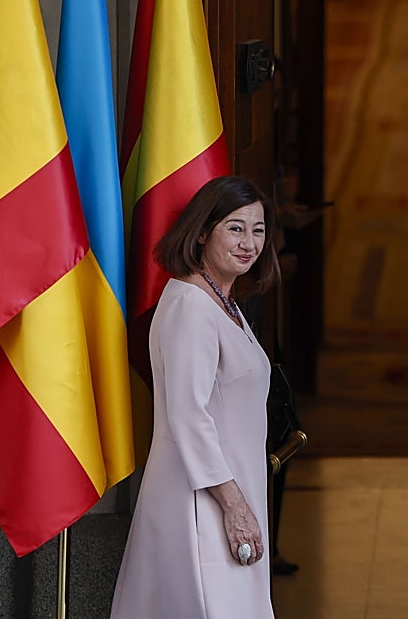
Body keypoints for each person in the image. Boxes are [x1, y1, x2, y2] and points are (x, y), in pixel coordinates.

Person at [111, 175, 280, 618]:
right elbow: (189, 415)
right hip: (202, 500)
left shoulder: (224, 302)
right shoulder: (190, 306)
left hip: (227, 492)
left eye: (258, 230)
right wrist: (234, 504)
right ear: (203, 231)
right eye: (236, 228)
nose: (249, 243)